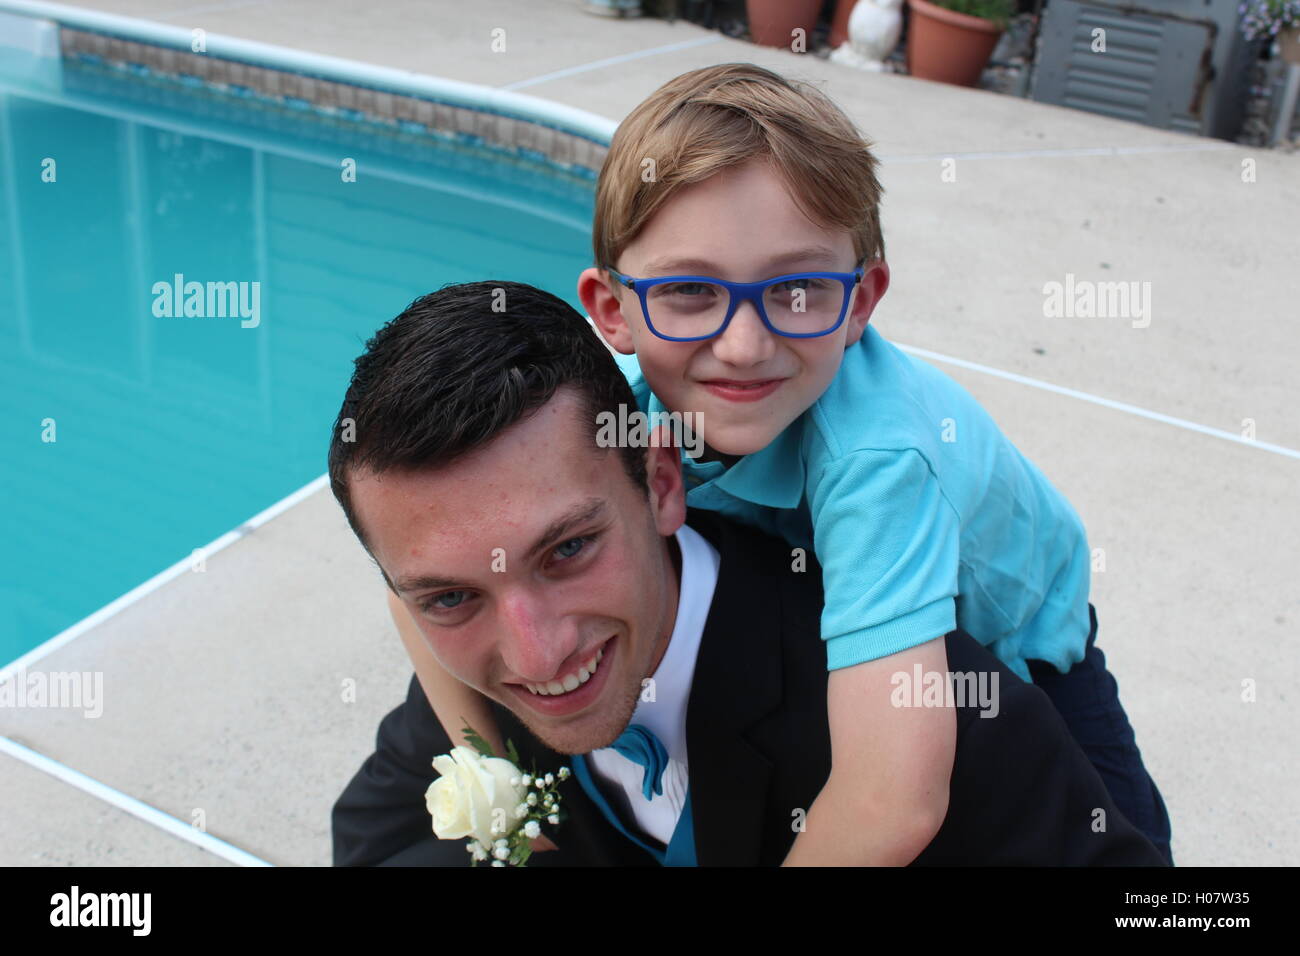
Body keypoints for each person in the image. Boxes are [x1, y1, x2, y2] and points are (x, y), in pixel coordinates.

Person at [385, 63, 1174, 865]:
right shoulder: (617, 413)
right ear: (614, 312)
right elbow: (405, 587)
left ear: (861, 303)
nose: (744, 344)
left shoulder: (878, 461)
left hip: (1023, 644)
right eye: (691, 291)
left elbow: (890, 798)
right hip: (813, 581)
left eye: (797, 289)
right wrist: (506, 795)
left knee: (1133, 857)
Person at [328, 281, 1166, 866]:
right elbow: (382, 843)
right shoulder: (473, 682)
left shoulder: (937, 717)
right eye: (447, 596)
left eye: (570, 551)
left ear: (662, 482)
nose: (537, 656)